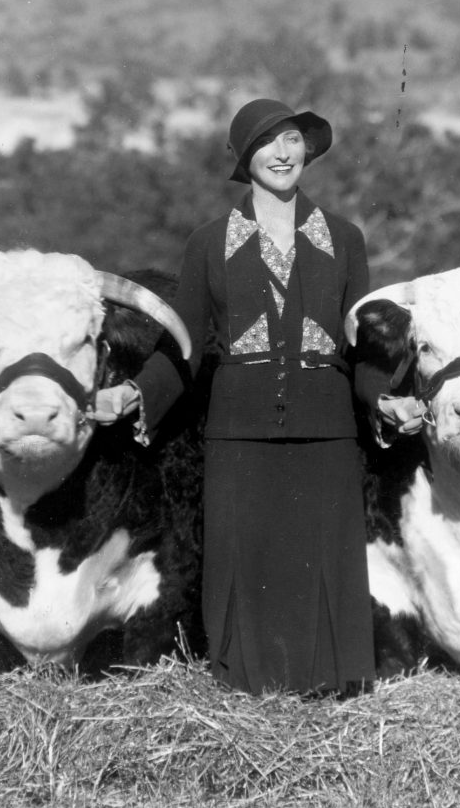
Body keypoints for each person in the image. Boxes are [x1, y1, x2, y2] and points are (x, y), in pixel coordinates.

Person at [93, 97, 376, 697]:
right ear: (245, 157)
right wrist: (133, 394)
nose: (283, 152)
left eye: (293, 139)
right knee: (247, 567)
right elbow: (186, 346)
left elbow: (363, 348)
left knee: (322, 565)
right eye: (268, 142)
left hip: (326, 435)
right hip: (238, 434)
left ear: (308, 151)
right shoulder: (208, 243)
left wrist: (387, 403)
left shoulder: (345, 239)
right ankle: (246, 694)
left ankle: (329, 693)